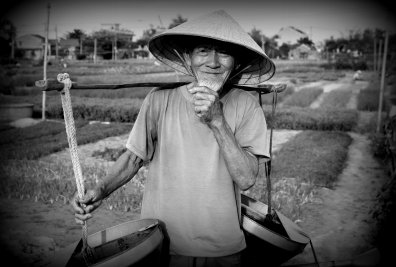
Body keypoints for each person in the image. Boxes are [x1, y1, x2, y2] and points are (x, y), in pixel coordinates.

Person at [72, 9, 275, 267]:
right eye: (203, 50)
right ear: (189, 59)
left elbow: (246, 178)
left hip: (222, 246)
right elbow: (133, 158)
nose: (213, 62)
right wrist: (99, 191)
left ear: (235, 61)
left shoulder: (247, 106)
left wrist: (217, 121)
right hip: (162, 243)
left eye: (224, 52)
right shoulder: (160, 100)